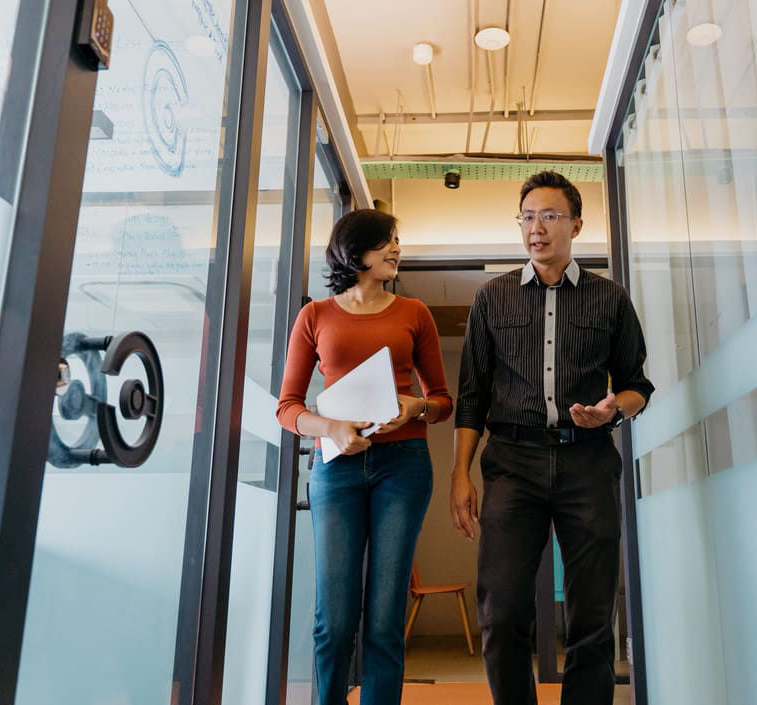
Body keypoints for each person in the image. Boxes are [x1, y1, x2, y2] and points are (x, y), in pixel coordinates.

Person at [449, 171, 654, 705]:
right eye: (527, 217)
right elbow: (471, 396)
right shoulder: (491, 300)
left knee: (591, 613)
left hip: (587, 459)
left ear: (576, 225)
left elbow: (637, 386)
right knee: (503, 609)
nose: (535, 228)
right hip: (512, 461)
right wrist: (460, 474)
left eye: (549, 216)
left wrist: (614, 408)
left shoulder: (609, 299)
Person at [276, 209, 452, 705]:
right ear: (355, 252)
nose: (396, 248)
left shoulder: (415, 313)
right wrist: (329, 426)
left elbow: (442, 400)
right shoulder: (315, 316)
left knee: (384, 620)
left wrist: (416, 405)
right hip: (336, 468)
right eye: (385, 242)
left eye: (398, 240)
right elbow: (286, 408)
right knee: (333, 619)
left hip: (404, 466)